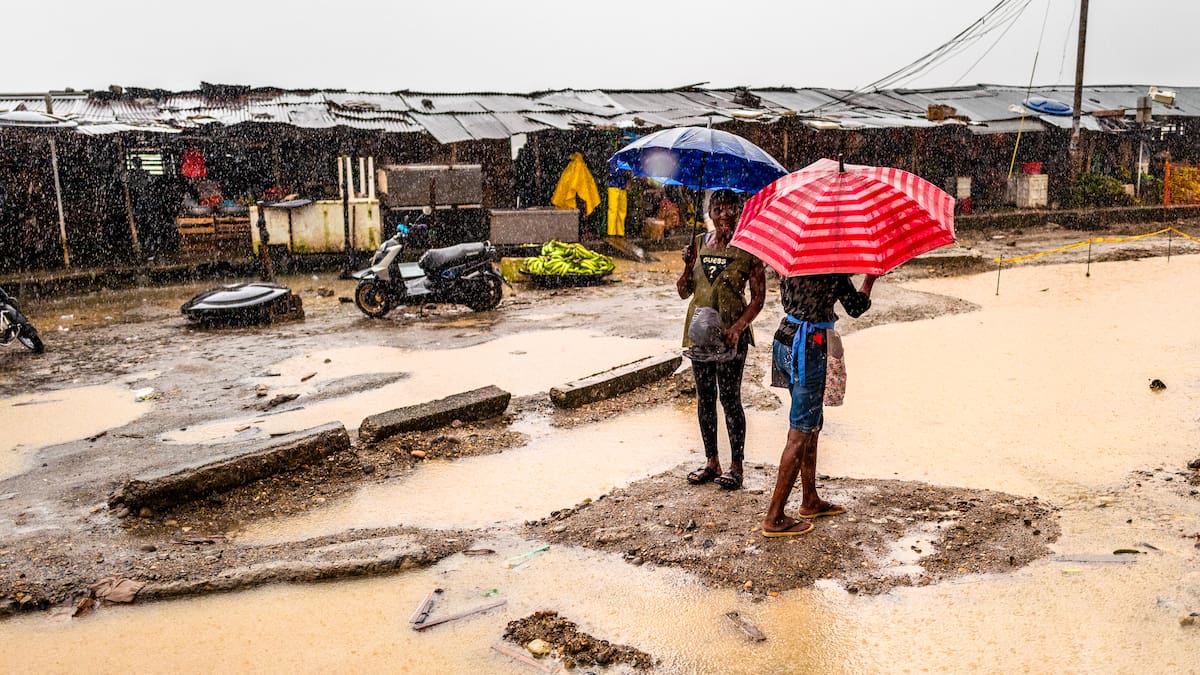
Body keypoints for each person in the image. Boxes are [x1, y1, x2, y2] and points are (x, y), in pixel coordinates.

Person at [761, 273, 877, 536]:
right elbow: (855, 308)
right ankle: (774, 516)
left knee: (810, 424)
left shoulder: (791, 263)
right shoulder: (832, 269)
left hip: (785, 338)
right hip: (808, 346)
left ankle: (809, 499)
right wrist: (870, 280)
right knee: (801, 431)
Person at [677, 189, 766, 490]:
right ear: (710, 213)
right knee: (704, 399)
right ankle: (711, 461)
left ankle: (736, 466)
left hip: (731, 336)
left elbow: (758, 299)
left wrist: (739, 328)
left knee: (730, 398)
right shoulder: (698, 244)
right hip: (699, 334)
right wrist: (688, 265)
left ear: (740, 211)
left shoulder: (748, 250)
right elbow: (683, 292)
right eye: (719, 208)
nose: (725, 214)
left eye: (731, 208)